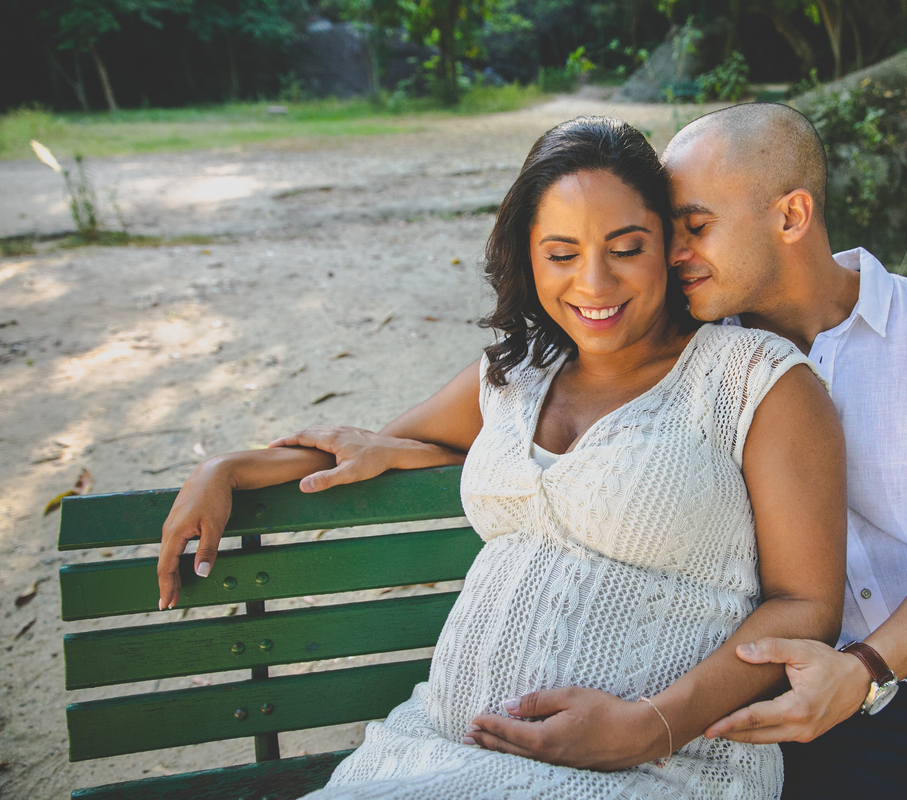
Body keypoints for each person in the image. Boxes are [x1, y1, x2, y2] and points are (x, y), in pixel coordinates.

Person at [155, 116, 848, 799]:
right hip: (433, 750)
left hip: (666, 767)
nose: (595, 283)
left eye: (625, 247)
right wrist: (229, 470)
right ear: (529, 255)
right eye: (562, 253)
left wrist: (651, 727)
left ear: (666, 243)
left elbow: (808, 605)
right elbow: (382, 447)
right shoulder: (516, 373)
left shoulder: (755, 379)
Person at [472, 104, 907, 799]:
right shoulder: (678, 351)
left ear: (791, 217)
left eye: (695, 227)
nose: (671, 252)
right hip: (788, 713)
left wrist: (862, 669)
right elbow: (529, 380)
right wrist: (387, 443)